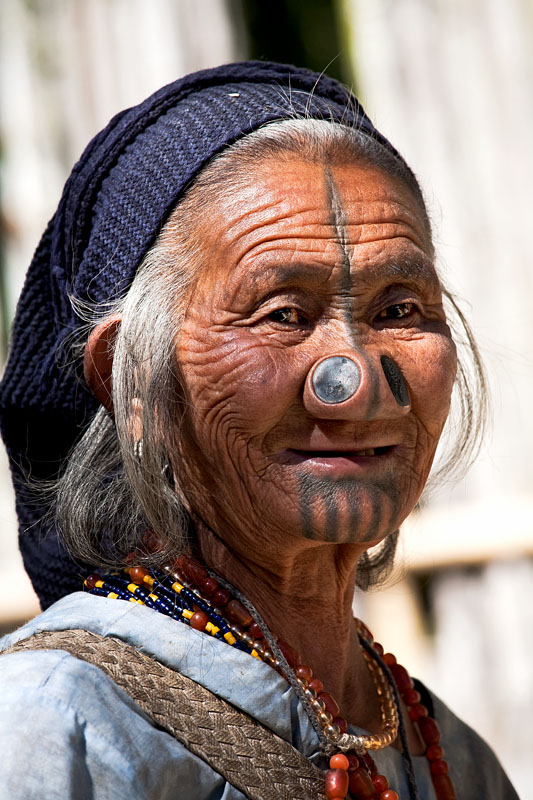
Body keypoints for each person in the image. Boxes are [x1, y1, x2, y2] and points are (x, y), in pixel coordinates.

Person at [0, 61, 519, 800]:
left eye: (398, 310)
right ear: (131, 379)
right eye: (283, 314)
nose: (355, 383)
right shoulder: (51, 727)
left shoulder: (452, 762)